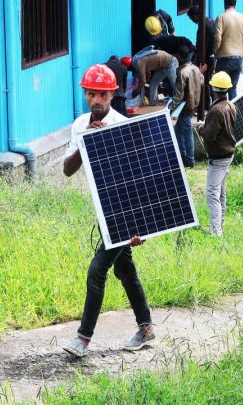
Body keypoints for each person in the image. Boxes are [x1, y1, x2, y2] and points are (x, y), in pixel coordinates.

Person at [62, 64, 155, 357]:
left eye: (102, 94)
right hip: (105, 208)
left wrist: (142, 225)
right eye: (91, 94)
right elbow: (67, 169)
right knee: (125, 270)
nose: (96, 100)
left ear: (112, 95)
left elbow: (140, 177)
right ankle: (147, 328)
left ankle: (83, 338)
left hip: (126, 208)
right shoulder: (79, 125)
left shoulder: (123, 126)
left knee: (97, 270)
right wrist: (85, 141)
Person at [198, 71, 237, 237]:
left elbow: (210, 135)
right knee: (221, 193)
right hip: (228, 155)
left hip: (219, 158)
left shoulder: (216, 111)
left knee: (212, 195)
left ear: (213, 89)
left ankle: (216, 233)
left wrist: (200, 128)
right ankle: (220, 227)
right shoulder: (231, 105)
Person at [171, 45, 204, 168]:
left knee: (187, 132)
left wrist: (171, 109)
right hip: (193, 104)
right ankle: (182, 156)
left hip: (184, 107)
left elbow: (179, 94)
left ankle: (190, 160)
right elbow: (201, 81)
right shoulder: (195, 69)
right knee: (178, 132)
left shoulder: (182, 72)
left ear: (180, 57)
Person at [214, 0, 243, 100]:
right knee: (233, 87)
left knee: (221, 88)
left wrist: (215, 51)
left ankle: (223, 112)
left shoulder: (221, 17)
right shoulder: (242, 17)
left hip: (224, 57)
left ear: (224, 4)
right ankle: (232, 113)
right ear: (235, 4)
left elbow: (217, 37)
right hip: (238, 57)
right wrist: (241, 48)